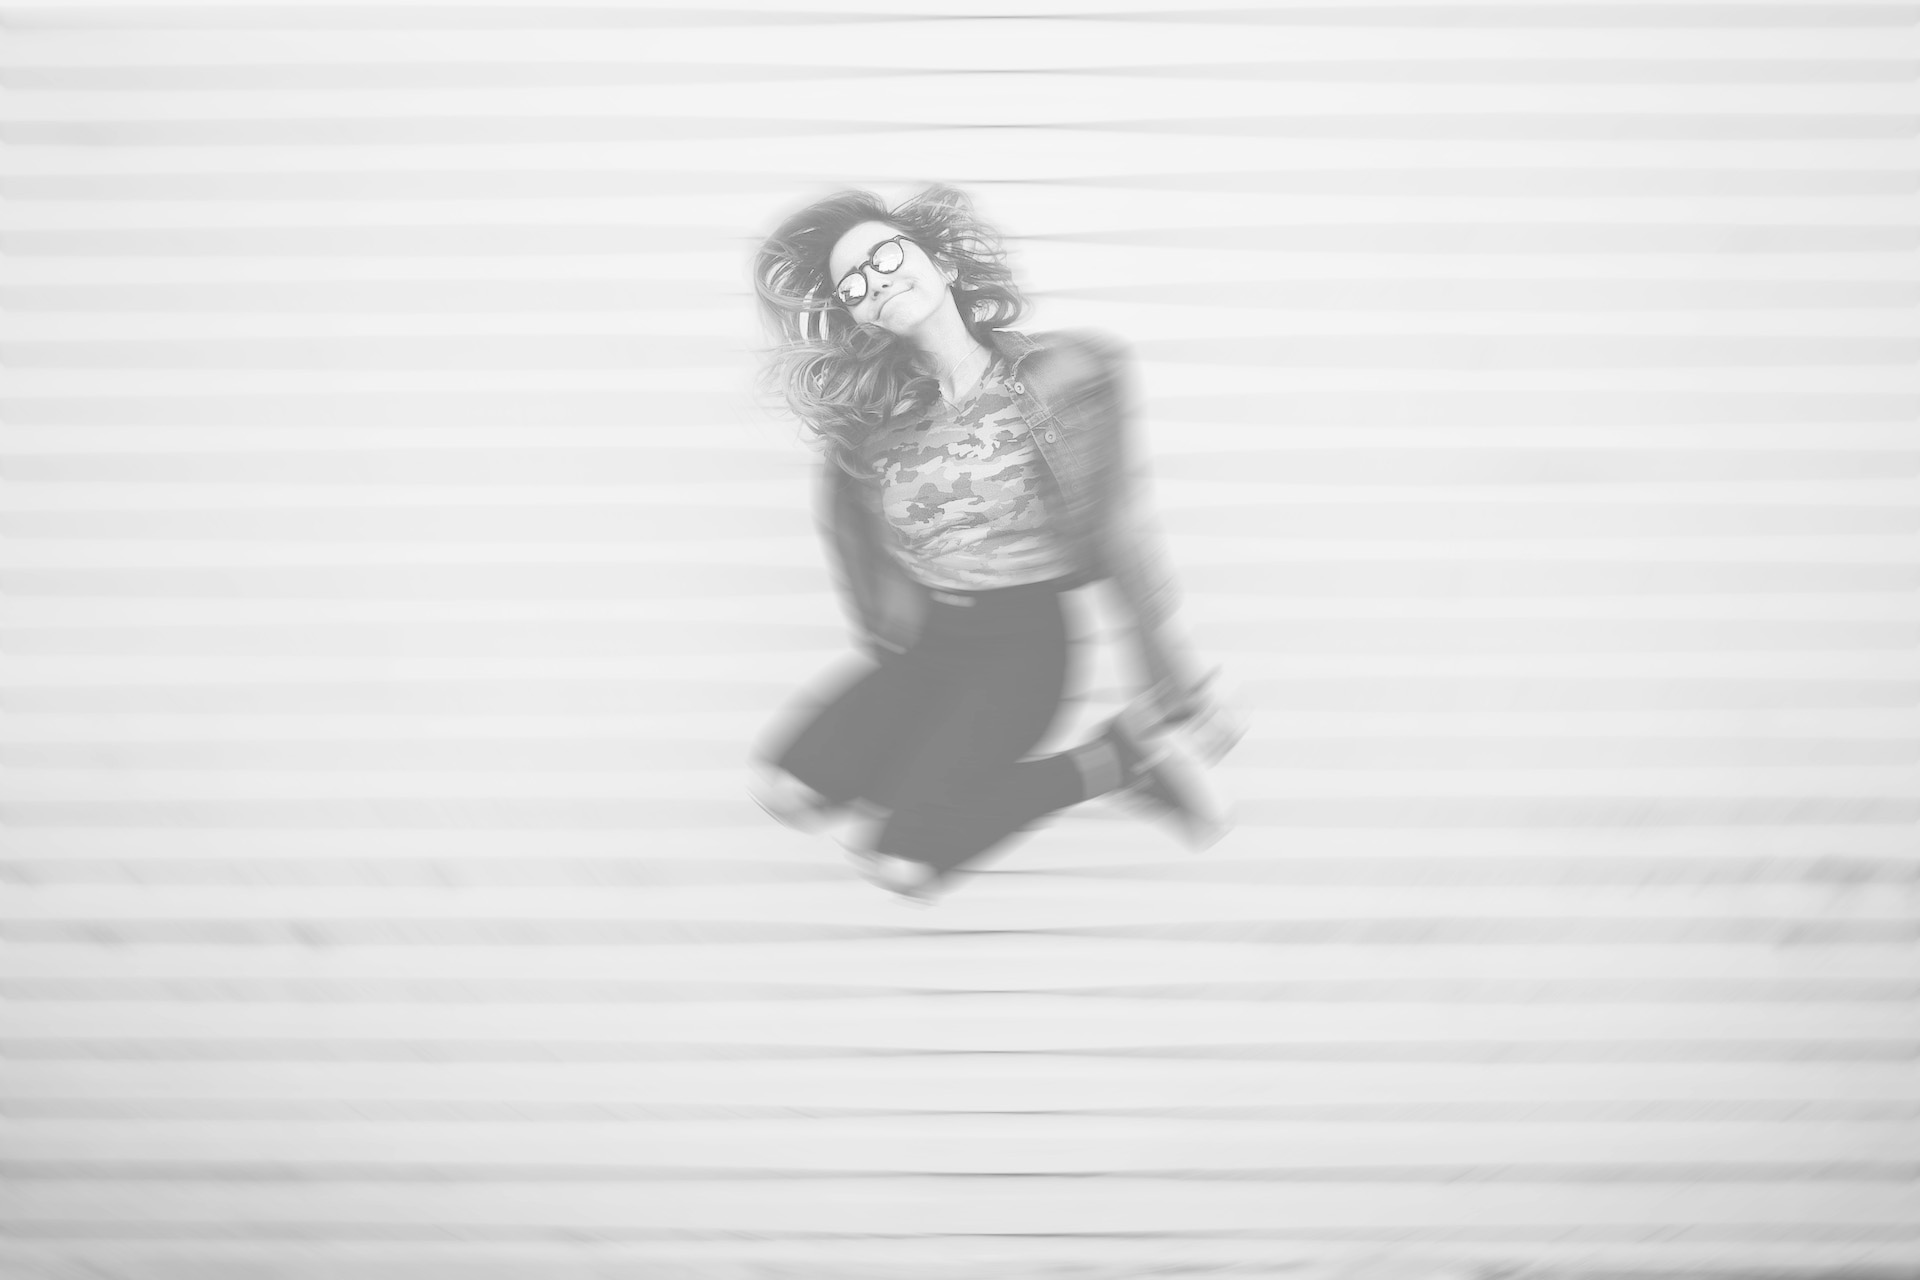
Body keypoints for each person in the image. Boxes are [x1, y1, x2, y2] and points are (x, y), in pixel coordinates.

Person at [746, 183, 1245, 901]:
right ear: (859, 316)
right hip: (929, 644)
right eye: (853, 284)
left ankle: (1116, 761)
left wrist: (1174, 680)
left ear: (943, 264)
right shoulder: (871, 427)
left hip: (1021, 651)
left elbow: (1121, 534)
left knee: (902, 864)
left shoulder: (1063, 377)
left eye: (885, 256)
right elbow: (853, 546)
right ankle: (945, 783)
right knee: (787, 791)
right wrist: (888, 649)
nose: (874, 280)